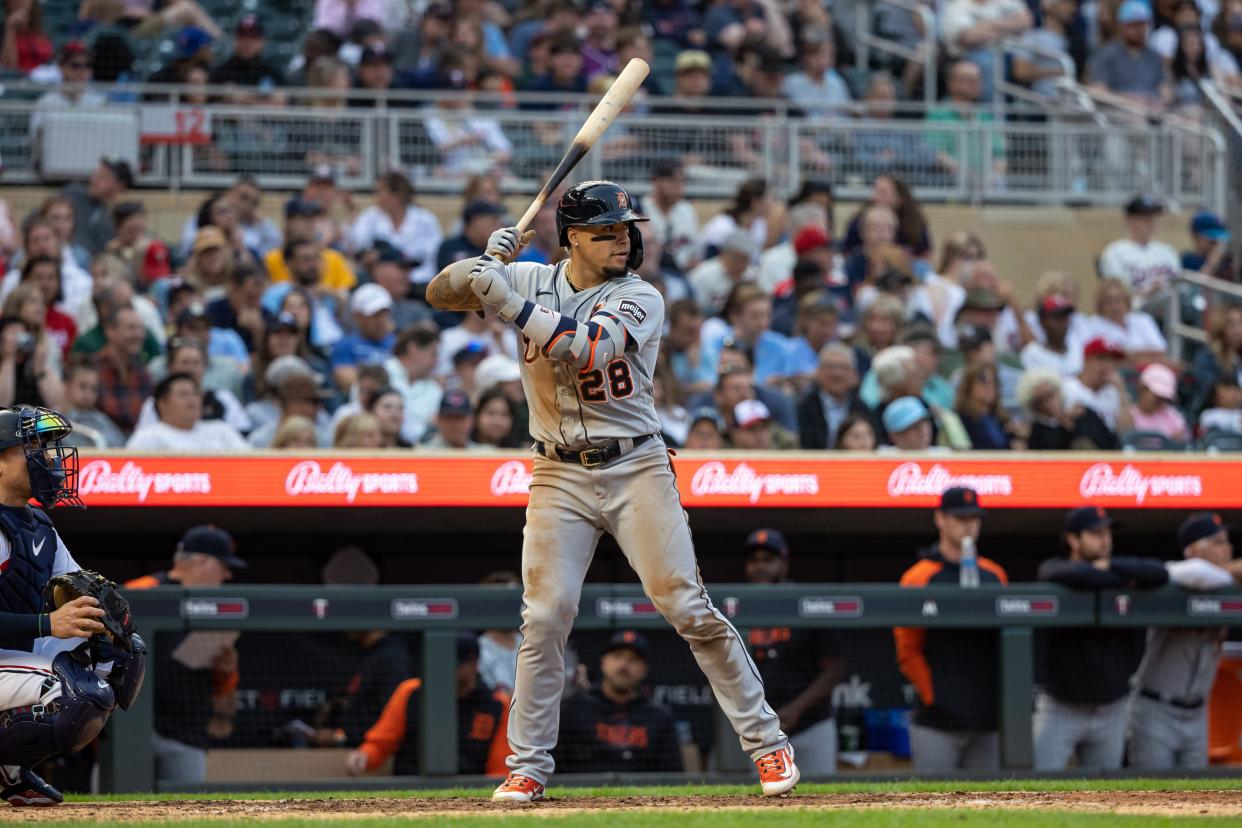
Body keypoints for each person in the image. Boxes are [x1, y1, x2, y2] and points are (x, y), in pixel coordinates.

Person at [427, 180, 801, 801]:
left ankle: (767, 744)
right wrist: (479, 264)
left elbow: (586, 349)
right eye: (606, 232)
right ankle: (527, 765)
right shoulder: (526, 277)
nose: (623, 240)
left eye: (626, 229)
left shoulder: (640, 295)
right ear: (570, 237)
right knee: (544, 618)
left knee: (686, 607)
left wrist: (503, 297)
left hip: (636, 466)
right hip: (557, 472)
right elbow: (438, 295)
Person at [0, 406, 145, 806]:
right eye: (32, 447)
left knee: (119, 658)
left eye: (48, 447)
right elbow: (51, 622)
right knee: (72, 693)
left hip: (9, 660)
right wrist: (48, 624)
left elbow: (80, 592)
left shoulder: (38, 523)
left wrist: (106, 619)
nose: (49, 457)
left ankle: (8, 771)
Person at [1033, 507, 1169, 771]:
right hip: (1061, 706)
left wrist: (1111, 566)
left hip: (1111, 706)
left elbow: (1159, 573)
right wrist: (1115, 574)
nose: (1105, 539)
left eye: (1107, 533)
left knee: (1105, 794)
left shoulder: (1120, 567)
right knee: (1039, 787)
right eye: (1095, 533)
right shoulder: (1056, 569)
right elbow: (1062, 573)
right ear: (1073, 539)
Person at [894, 487, 1009, 771]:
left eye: (975, 518)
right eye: (961, 517)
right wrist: (935, 698)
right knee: (932, 803)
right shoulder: (919, 576)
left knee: (991, 805)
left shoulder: (994, 574)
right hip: (939, 720)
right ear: (941, 519)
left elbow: (1006, 643)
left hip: (988, 718)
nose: (969, 524)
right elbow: (908, 650)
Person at [124, 525, 243, 785]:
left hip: (186, 733)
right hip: (131, 729)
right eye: (223, 566)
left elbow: (223, 697)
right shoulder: (140, 591)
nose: (228, 574)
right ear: (203, 561)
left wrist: (225, 672)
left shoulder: (216, 608)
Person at [1129, 513, 1242, 769]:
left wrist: (1226, 573)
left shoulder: (1228, 583)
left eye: (1226, 541)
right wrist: (1229, 572)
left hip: (1198, 713)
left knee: (1196, 797)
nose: (1227, 547)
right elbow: (1197, 574)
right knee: (1154, 798)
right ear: (1192, 550)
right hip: (1156, 709)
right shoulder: (1174, 580)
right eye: (1216, 542)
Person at [743, 529, 844, 774]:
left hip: (812, 725)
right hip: (762, 731)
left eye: (768, 560)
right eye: (754, 560)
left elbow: (834, 668)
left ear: (784, 565)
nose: (760, 567)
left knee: (823, 801)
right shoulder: (740, 607)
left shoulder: (806, 604)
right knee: (766, 803)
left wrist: (796, 709)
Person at [346, 632, 511, 777]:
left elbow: (500, 770)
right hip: (411, 790)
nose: (445, 669)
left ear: (473, 663)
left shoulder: (496, 704)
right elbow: (381, 742)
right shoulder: (411, 691)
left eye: (454, 664)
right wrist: (365, 756)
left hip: (469, 795)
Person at [554, 630, 684, 774]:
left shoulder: (659, 716)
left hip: (642, 794)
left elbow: (672, 775)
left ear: (644, 670)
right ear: (604, 662)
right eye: (617, 656)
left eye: (633, 659)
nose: (624, 665)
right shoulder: (573, 709)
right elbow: (555, 768)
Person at [348, 171, 442, 285]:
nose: (376, 197)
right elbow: (359, 247)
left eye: (380, 192)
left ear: (398, 194)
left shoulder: (425, 220)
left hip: (420, 280)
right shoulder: (369, 217)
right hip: (380, 282)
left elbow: (433, 257)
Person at [126, 373, 248, 452]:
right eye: (183, 394)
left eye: (195, 394)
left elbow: (251, 463)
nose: (192, 400)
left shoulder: (222, 430)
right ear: (162, 404)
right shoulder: (147, 437)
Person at [1097, 196, 1180, 310]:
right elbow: (1116, 295)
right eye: (1145, 217)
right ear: (1130, 220)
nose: (1151, 222)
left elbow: (1178, 285)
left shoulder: (1168, 251)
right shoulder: (1115, 252)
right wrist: (1149, 291)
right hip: (1135, 311)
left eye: (1153, 217)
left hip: (1170, 311)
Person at [1086, 1, 1170, 110]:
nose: (1139, 30)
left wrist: (1160, 102)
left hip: (1151, 112)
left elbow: (1166, 90)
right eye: (1133, 25)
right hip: (1119, 114)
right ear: (1121, 27)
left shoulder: (1153, 56)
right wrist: (1130, 100)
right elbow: (1097, 91)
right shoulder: (1105, 54)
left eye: (1142, 25)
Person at [797, 344, 870, 449]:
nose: (836, 374)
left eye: (843, 367)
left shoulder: (862, 408)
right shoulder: (802, 406)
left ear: (853, 374)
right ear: (818, 372)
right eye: (830, 367)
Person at [92, 306, 152, 436]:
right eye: (131, 328)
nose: (139, 335)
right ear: (110, 331)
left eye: (141, 328)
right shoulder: (93, 368)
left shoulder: (143, 371)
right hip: (102, 447)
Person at [1061, 337, 1135, 436]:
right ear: (1087, 360)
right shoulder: (1067, 387)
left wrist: (1121, 392)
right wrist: (1068, 417)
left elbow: (1128, 432)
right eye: (1102, 358)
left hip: (1108, 447)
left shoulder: (1114, 392)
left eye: (1112, 360)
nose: (1108, 365)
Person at [60, 157, 133, 256]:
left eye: (103, 177)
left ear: (119, 186)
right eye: (96, 173)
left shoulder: (117, 217)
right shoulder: (72, 195)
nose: (94, 179)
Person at [384, 323, 443, 445]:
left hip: (421, 452)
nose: (436, 362)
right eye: (433, 354)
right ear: (413, 348)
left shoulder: (435, 389)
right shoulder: (382, 373)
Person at [331, 284, 396, 392]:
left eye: (384, 314)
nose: (381, 320)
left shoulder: (396, 343)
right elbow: (347, 380)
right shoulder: (345, 345)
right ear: (358, 316)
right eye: (375, 315)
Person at [643, 161, 700, 274]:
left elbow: (695, 249)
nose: (679, 186)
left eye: (682, 181)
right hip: (654, 273)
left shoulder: (687, 209)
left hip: (685, 273)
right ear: (656, 181)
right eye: (673, 181)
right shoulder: (640, 209)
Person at [1019, 295, 1082, 377]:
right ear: (1042, 321)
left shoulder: (1078, 350)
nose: (1062, 323)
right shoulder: (1031, 354)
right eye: (1057, 317)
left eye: (1065, 317)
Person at [1130, 363, 1189, 442]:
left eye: (1163, 397)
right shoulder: (1128, 415)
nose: (1159, 400)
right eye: (1156, 395)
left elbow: (1183, 444)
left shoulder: (1171, 415)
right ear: (1142, 389)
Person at [1182, 211, 1234, 280]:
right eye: (1211, 239)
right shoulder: (1188, 260)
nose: (1216, 242)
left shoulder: (1225, 260)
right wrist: (1211, 264)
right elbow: (1194, 287)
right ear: (1196, 236)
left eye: (1218, 238)